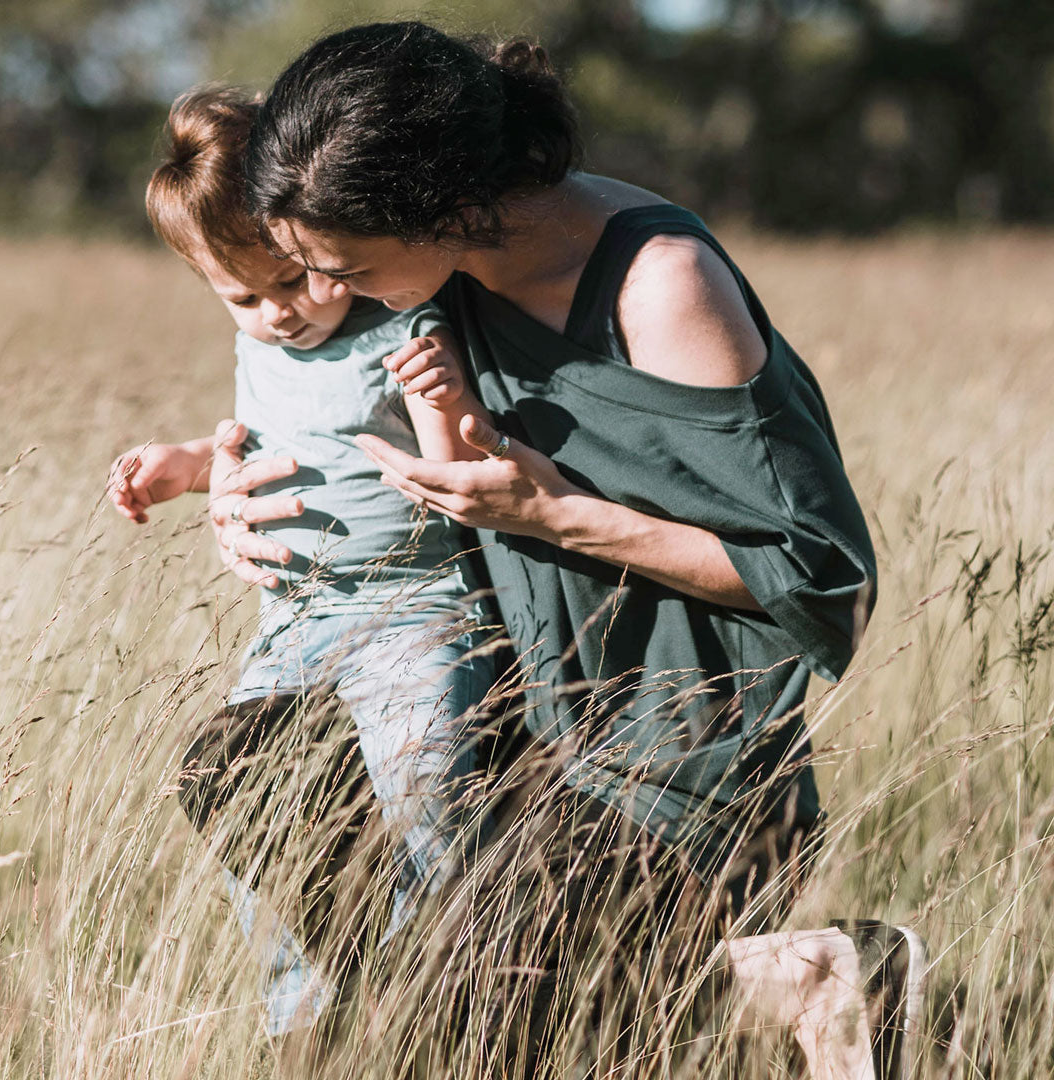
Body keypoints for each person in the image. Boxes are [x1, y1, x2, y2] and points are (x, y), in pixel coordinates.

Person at [190, 21, 926, 1079]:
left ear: (439, 207)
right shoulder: (433, 271)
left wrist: (558, 515)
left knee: (423, 1033)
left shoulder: (660, 284)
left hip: (670, 774)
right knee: (241, 767)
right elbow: (325, 396)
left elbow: (826, 586)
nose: (316, 287)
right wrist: (231, 482)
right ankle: (472, 1006)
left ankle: (817, 974)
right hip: (509, 727)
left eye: (337, 263)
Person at [109, 86, 500, 1036]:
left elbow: (456, 479)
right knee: (265, 810)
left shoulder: (400, 325)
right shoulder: (263, 348)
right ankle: (305, 1010)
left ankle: (424, 989)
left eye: (294, 281)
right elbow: (268, 448)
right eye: (243, 297)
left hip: (416, 607)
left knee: (426, 789)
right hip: (291, 619)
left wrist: (443, 400)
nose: (279, 313)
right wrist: (187, 468)